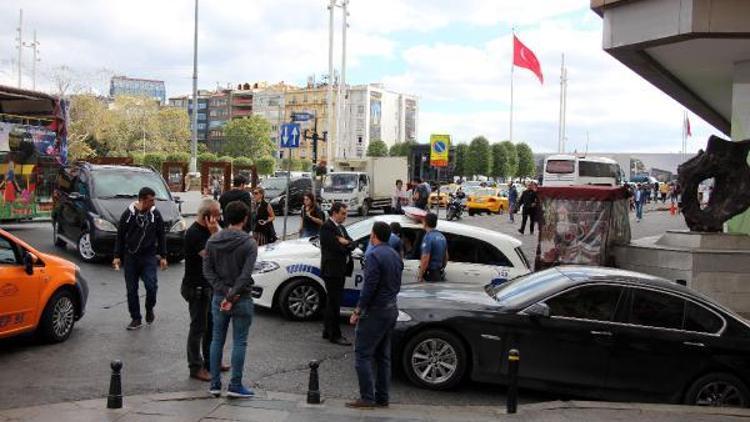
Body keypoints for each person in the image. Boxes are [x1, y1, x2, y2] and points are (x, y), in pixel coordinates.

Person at [203, 201, 258, 398]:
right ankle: (235, 384)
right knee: (240, 341)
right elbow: (245, 274)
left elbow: (207, 271)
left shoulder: (213, 240)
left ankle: (215, 384)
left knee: (217, 339)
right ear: (245, 218)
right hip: (241, 297)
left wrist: (224, 290)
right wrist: (233, 293)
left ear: (225, 217)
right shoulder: (249, 243)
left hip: (219, 297)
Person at [346, 222, 404, 409]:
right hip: (391, 309)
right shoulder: (395, 254)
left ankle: (367, 397)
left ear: (374, 235)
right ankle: (382, 397)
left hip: (376, 311)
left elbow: (369, 287)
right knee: (383, 356)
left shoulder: (373, 255)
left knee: (362, 354)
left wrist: (357, 311)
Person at [181, 199, 227, 381]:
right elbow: (213, 256)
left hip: (209, 286)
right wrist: (214, 233)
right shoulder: (194, 234)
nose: (220, 217)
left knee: (212, 327)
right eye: (216, 214)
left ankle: (212, 361)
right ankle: (195, 367)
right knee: (198, 328)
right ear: (207, 216)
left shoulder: (212, 229)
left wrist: (216, 231)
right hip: (196, 287)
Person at [113, 187, 168, 330]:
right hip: (131, 257)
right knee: (131, 290)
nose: (153, 202)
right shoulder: (128, 214)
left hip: (148, 257)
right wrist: (117, 256)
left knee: (151, 286)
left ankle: (149, 308)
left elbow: (161, 235)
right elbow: (120, 236)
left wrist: (163, 256)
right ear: (142, 200)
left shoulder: (155, 214)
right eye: (151, 200)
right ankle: (136, 318)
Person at [319, 202, 355, 346]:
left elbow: (353, 243)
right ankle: (335, 334)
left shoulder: (340, 228)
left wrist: (345, 242)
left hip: (340, 269)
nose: (345, 216)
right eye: (343, 213)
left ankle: (328, 331)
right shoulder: (327, 227)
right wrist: (346, 245)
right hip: (332, 270)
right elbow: (336, 249)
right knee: (334, 303)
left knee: (332, 302)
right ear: (334, 213)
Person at [418, 213, 448, 282]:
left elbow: (425, 259)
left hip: (430, 274)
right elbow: (446, 257)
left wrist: (420, 275)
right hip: (438, 273)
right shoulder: (442, 236)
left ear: (425, 223)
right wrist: (441, 268)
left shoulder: (428, 237)